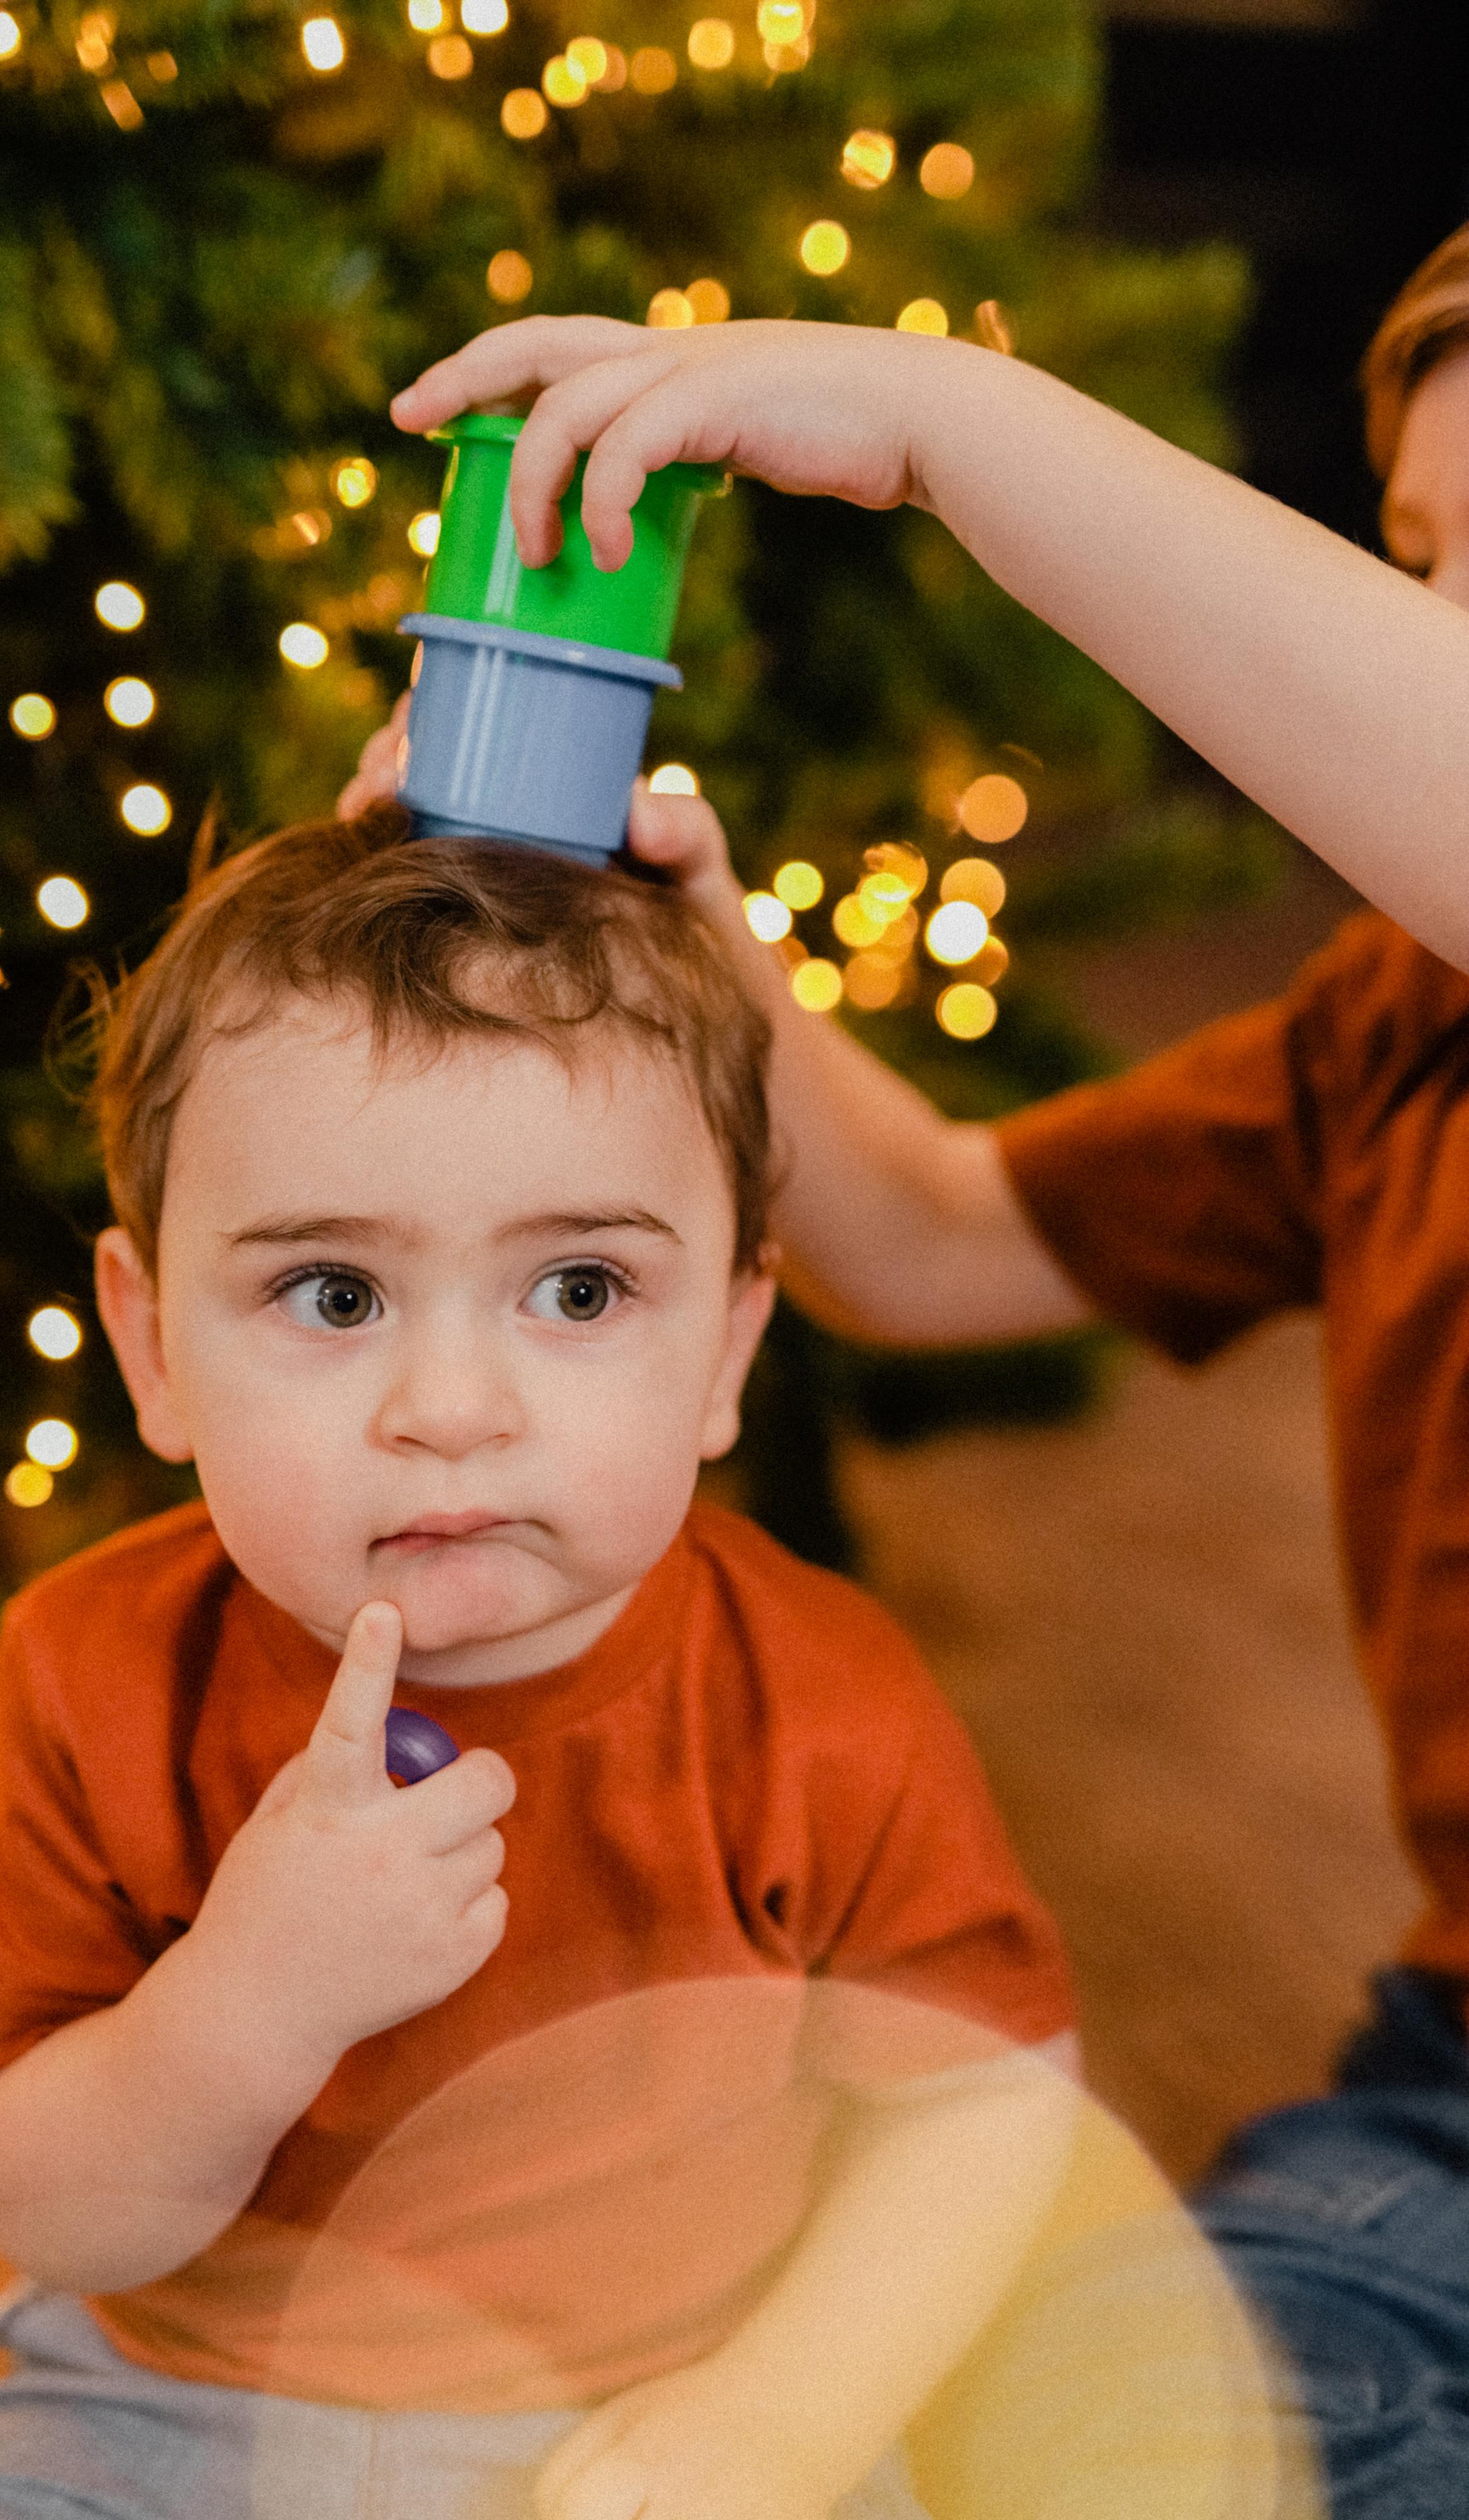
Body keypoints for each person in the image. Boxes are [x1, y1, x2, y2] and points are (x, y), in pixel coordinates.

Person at [347, 226, 1469, 2519]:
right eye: (1426, 566)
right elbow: (935, 1246)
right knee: (1120, 2412)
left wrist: (945, 424)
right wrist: (705, 959)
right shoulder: (1396, 1028)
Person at [0, 808, 1084, 2520]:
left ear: (730, 1344)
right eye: (336, 1296)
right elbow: (52, 2218)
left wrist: (779, 2419)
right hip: (169, 2418)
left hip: (670, 2420)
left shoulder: (818, 1700)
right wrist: (246, 2006)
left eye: (580, 1291)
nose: (451, 1409)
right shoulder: (93, 1675)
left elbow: (985, 2109)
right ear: (153, 1348)